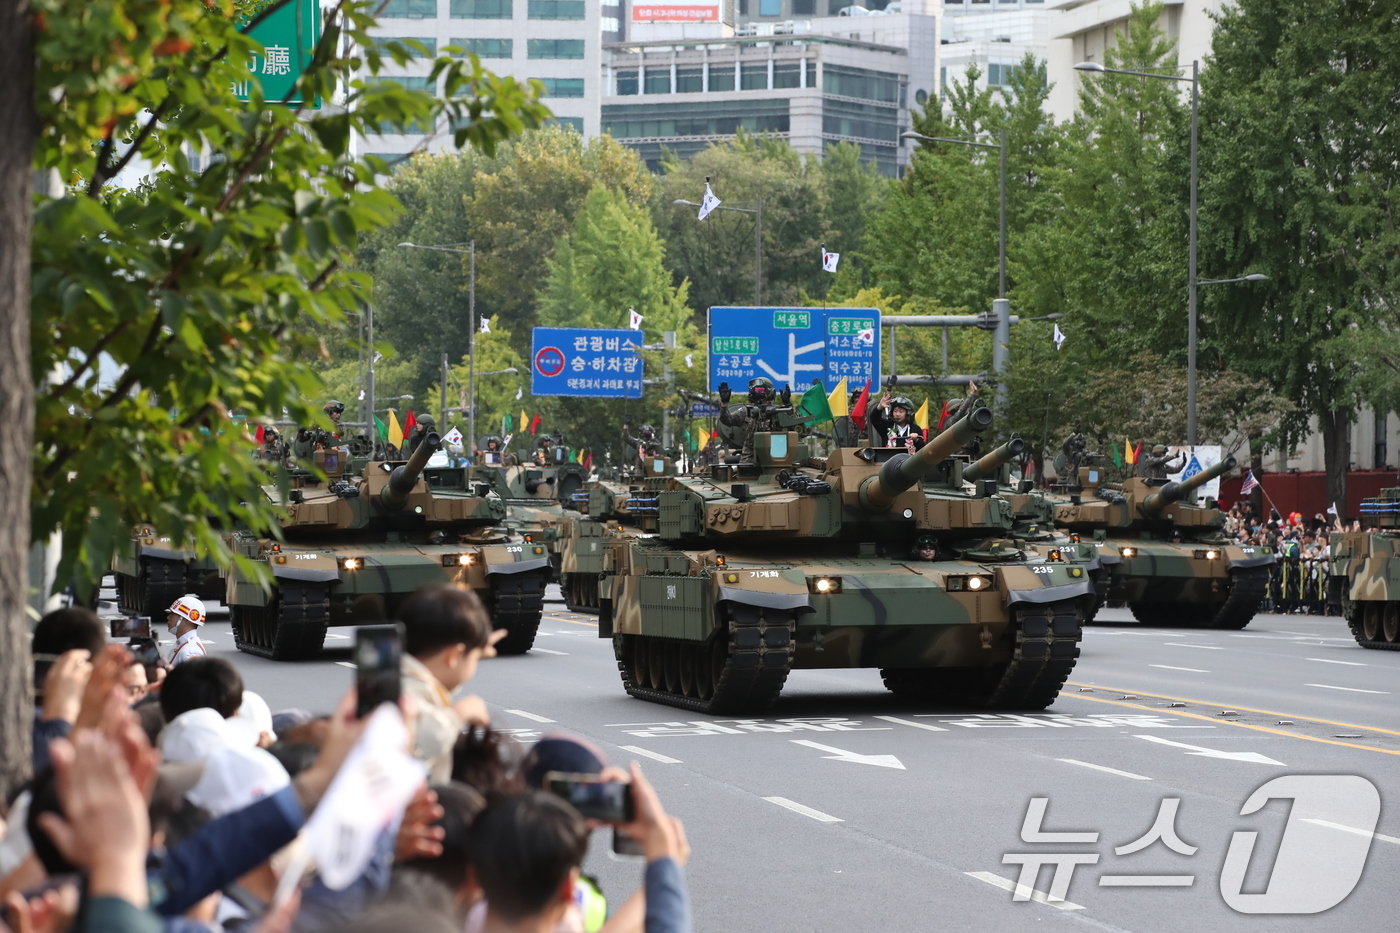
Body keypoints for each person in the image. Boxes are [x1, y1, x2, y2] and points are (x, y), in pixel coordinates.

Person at [399, 584, 507, 783]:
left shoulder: (405, 678)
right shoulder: (406, 694)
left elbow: (443, 677)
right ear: (454, 656)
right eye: (473, 657)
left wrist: (472, 650)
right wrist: (460, 713)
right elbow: (426, 739)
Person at [164, 595, 209, 667]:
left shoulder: (191, 651)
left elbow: (191, 678)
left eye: (173, 614)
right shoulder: (182, 644)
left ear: (185, 619)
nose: (168, 617)